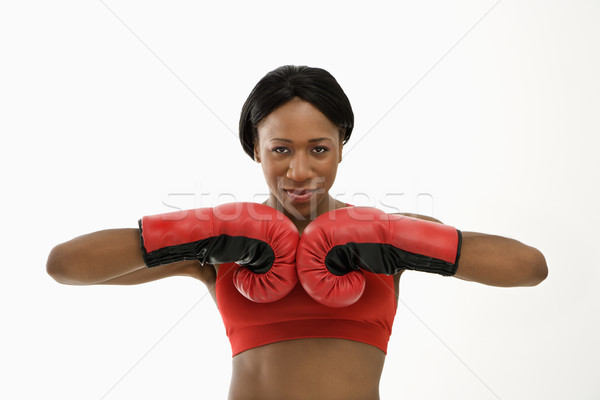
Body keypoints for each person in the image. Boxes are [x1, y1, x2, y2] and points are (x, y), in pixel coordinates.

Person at [46, 65, 548, 400]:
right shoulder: (216, 246)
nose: (301, 170)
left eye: (319, 149)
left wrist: (397, 239)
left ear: (342, 146)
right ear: (255, 150)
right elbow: (64, 266)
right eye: (281, 149)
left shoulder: (391, 236)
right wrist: (200, 230)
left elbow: (531, 269)